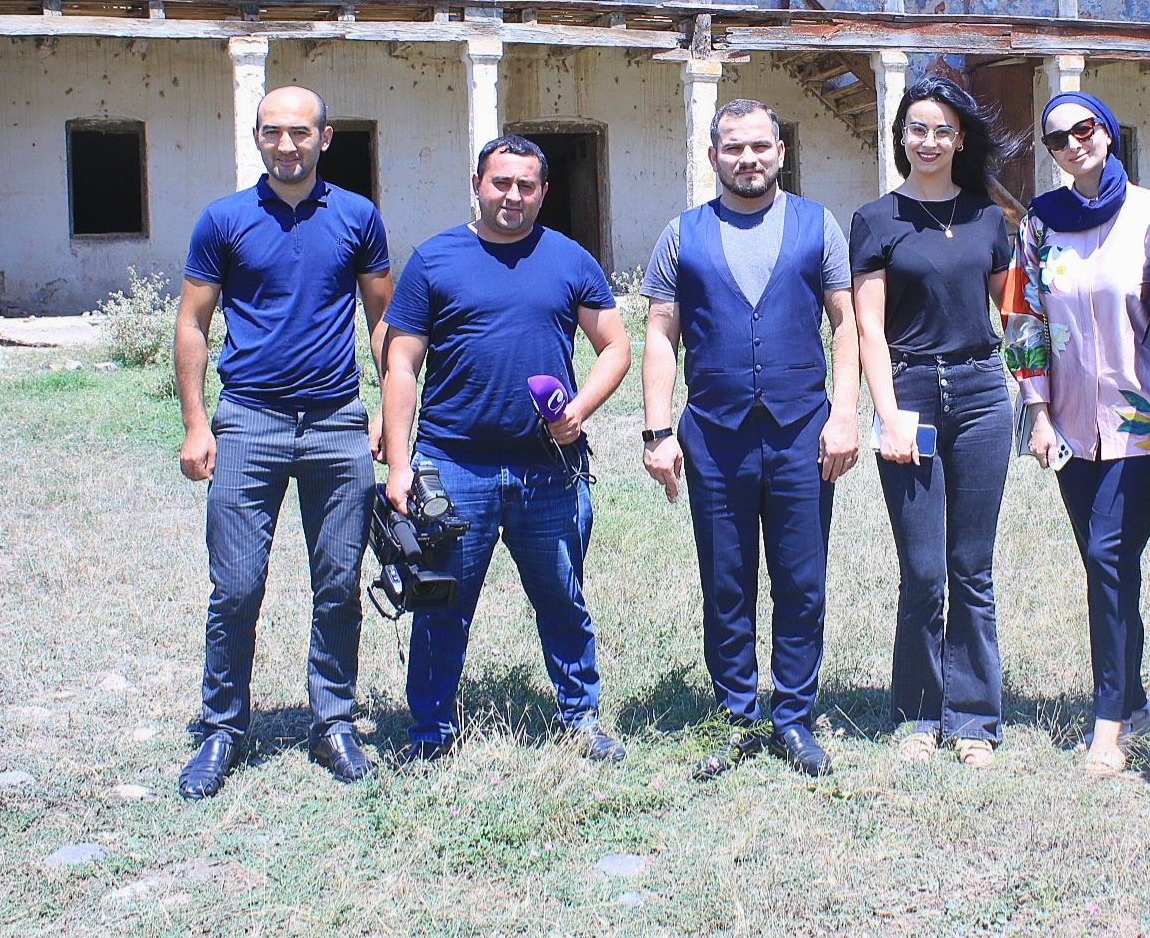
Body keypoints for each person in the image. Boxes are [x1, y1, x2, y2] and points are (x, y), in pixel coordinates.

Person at [380, 134, 632, 763]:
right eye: (500, 183)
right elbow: (401, 364)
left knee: (562, 600)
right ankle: (430, 734)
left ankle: (581, 719)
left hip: (547, 471)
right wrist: (400, 464)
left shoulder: (569, 258)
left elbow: (616, 346)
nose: (512, 196)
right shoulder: (434, 260)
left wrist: (578, 410)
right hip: (453, 466)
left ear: (543, 191)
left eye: (526, 185)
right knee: (441, 604)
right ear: (477, 185)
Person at [174, 85, 392, 798]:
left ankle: (333, 721)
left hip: (335, 422)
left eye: (300, 132)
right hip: (249, 421)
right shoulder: (224, 219)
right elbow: (192, 323)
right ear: (258, 137)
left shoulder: (357, 217)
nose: (286, 145)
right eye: (273, 132)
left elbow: (384, 321)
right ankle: (221, 729)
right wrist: (197, 423)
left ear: (324, 138)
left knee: (338, 583)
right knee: (236, 587)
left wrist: (387, 416)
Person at [640, 99, 860, 779]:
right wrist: (657, 430)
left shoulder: (818, 225)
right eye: (734, 148)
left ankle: (793, 715)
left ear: (780, 151)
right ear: (713, 156)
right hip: (714, 435)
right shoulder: (682, 234)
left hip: (801, 432)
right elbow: (660, 334)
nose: (748, 159)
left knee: (801, 580)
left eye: (760, 146)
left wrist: (845, 415)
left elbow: (846, 324)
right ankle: (736, 715)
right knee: (726, 581)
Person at [1001, 90, 1150, 778]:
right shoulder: (1041, 223)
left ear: (1107, 130)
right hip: (1068, 426)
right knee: (1108, 568)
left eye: (1084, 128)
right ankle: (1134, 699)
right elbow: (1023, 318)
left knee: (1107, 557)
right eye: (1057, 139)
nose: (1073, 144)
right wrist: (1037, 413)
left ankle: (1109, 722)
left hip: (1144, 425)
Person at [850, 78, 1015, 768]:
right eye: (917, 128)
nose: (929, 141)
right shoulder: (876, 220)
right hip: (911, 391)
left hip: (982, 396)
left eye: (942, 130)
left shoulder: (988, 219)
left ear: (960, 139)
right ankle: (919, 714)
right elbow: (867, 328)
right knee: (922, 570)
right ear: (900, 137)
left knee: (971, 566)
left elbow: (1015, 313)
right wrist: (887, 415)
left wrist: (1036, 397)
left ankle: (973, 718)